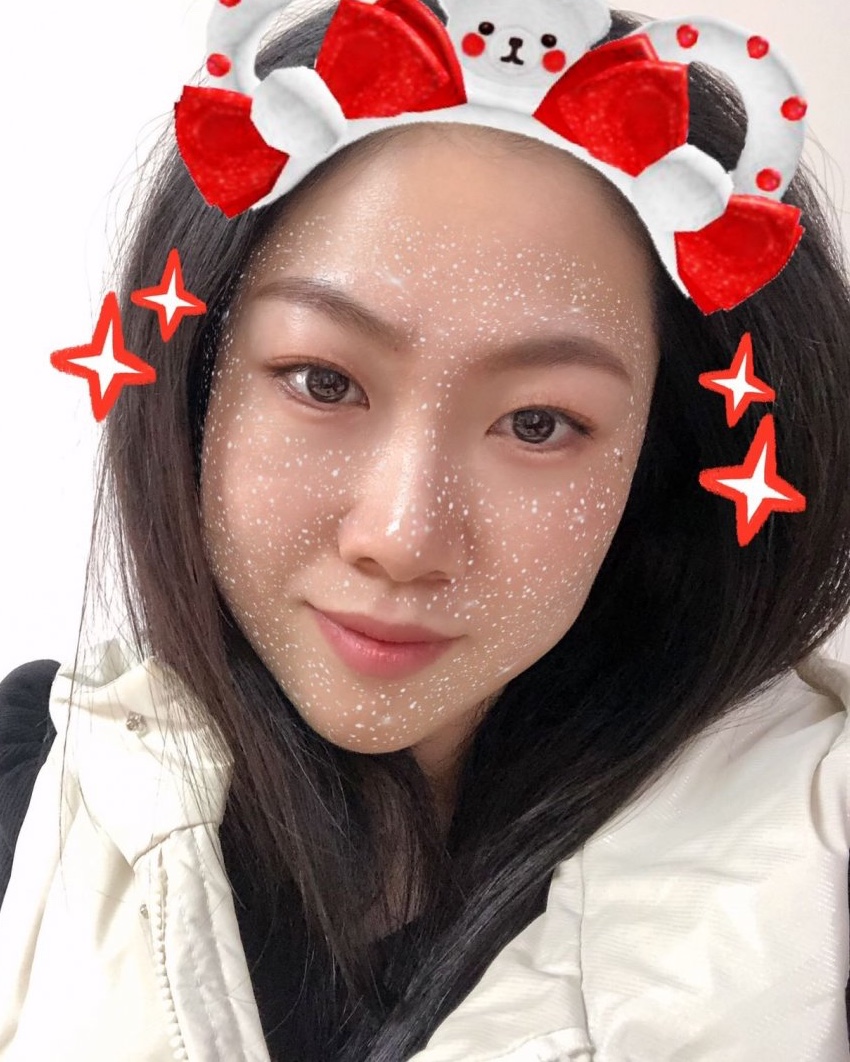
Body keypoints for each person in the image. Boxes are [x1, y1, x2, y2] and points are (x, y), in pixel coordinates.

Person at [1, 1, 849, 1059]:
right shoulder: (31, 801)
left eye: (538, 424)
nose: (402, 538)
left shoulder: (816, 858)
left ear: (660, 458)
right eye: (322, 381)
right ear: (193, 385)